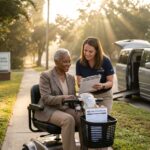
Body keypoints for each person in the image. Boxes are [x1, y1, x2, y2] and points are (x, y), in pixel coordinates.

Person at [35, 48, 83, 150]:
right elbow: (46, 98)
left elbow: (72, 97)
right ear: (56, 62)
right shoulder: (45, 76)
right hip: (49, 109)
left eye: (69, 61)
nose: (68, 64)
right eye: (65, 61)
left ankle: (86, 148)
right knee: (68, 119)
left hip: (65, 109)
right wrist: (63, 98)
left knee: (83, 117)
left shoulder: (70, 78)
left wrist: (81, 100)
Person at [76, 37, 114, 114]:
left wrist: (102, 85)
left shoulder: (106, 61)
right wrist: (83, 84)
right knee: (89, 118)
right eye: (85, 50)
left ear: (97, 51)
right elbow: (79, 84)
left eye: (90, 51)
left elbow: (110, 82)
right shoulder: (79, 63)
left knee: (103, 118)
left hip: (105, 95)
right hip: (88, 95)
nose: (87, 53)